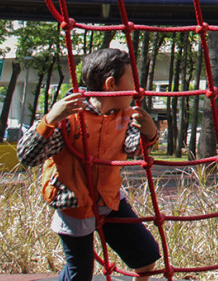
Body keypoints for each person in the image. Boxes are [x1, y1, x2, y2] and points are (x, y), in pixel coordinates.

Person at [17, 47, 161, 281]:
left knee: (146, 255)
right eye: (131, 81)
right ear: (111, 84)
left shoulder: (125, 115)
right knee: (79, 273)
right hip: (75, 202)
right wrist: (51, 119)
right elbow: (26, 157)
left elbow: (134, 147)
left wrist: (150, 133)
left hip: (109, 199)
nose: (137, 89)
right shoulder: (71, 116)